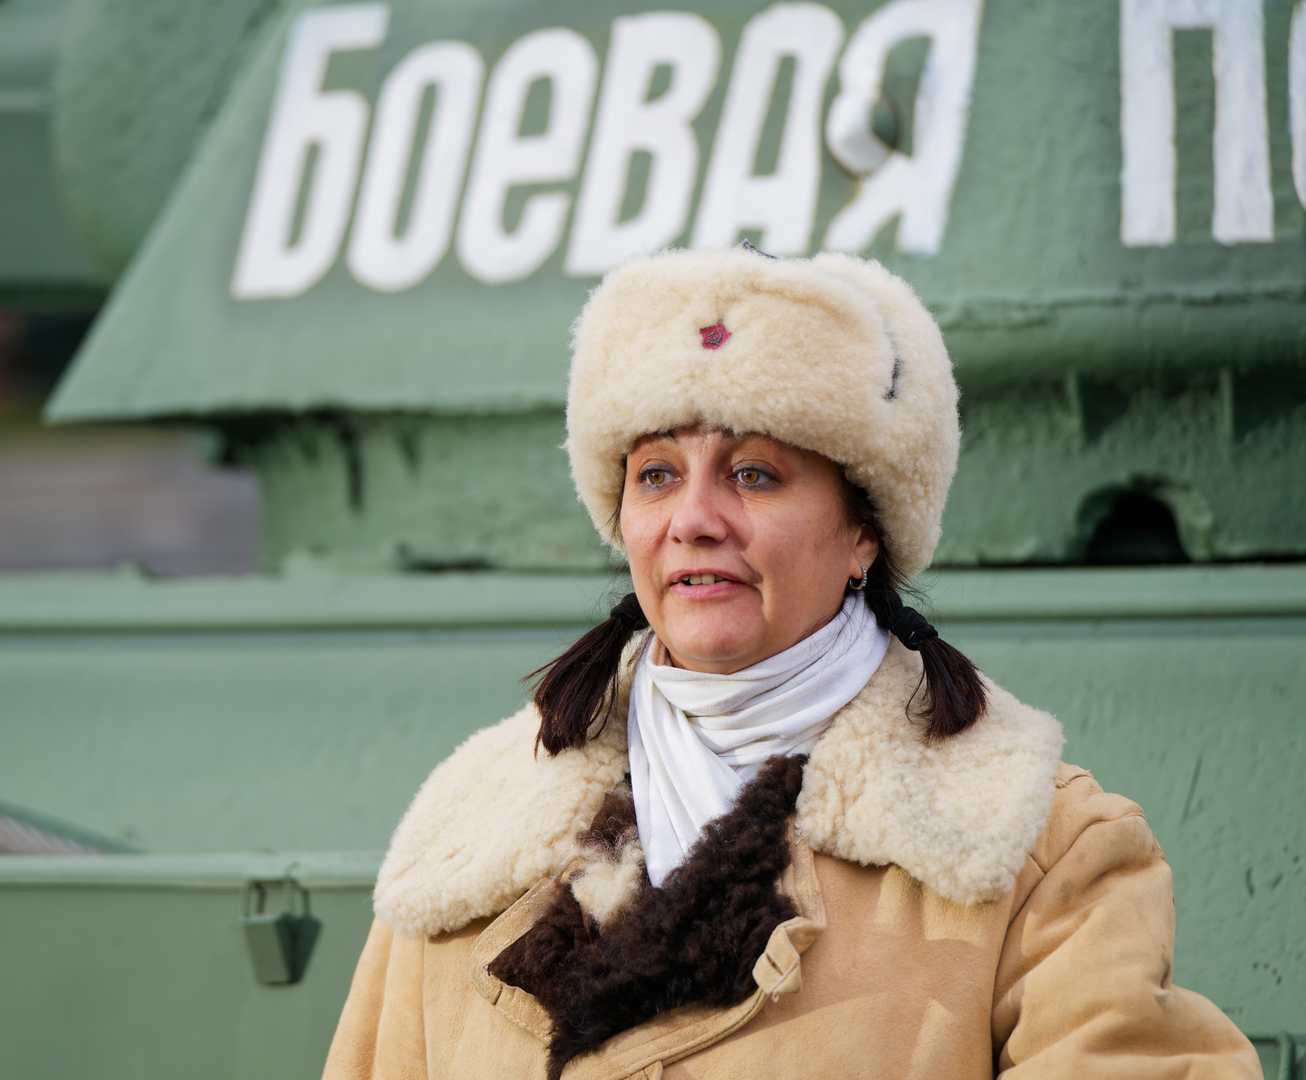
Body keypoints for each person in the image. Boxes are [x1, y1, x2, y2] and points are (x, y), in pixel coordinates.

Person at [322, 247, 1260, 1079]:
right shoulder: (468, 838)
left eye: (754, 474)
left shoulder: (1033, 850)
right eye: (657, 474)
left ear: (863, 532)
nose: (693, 518)